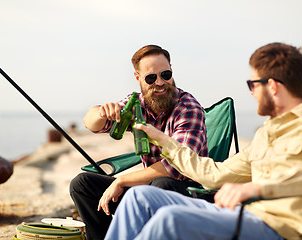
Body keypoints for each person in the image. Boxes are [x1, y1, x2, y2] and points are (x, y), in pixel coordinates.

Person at [105, 42, 302, 240]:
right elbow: (213, 174)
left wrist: (257, 188)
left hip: (280, 229)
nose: (251, 92)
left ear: (272, 87)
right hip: (246, 215)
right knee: (139, 198)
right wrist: (162, 140)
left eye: (253, 84)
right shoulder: (266, 133)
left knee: (169, 219)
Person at [69, 45, 208, 240]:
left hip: (185, 191)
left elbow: (177, 167)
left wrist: (122, 180)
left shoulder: (188, 107)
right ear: (138, 78)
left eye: (165, 74)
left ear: (172, 71)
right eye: (151, 78)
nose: (160, 82)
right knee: (82, 184)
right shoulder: (137, 104)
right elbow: (92, 124)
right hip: (146, 188)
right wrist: (101, 111)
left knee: (162, 184)